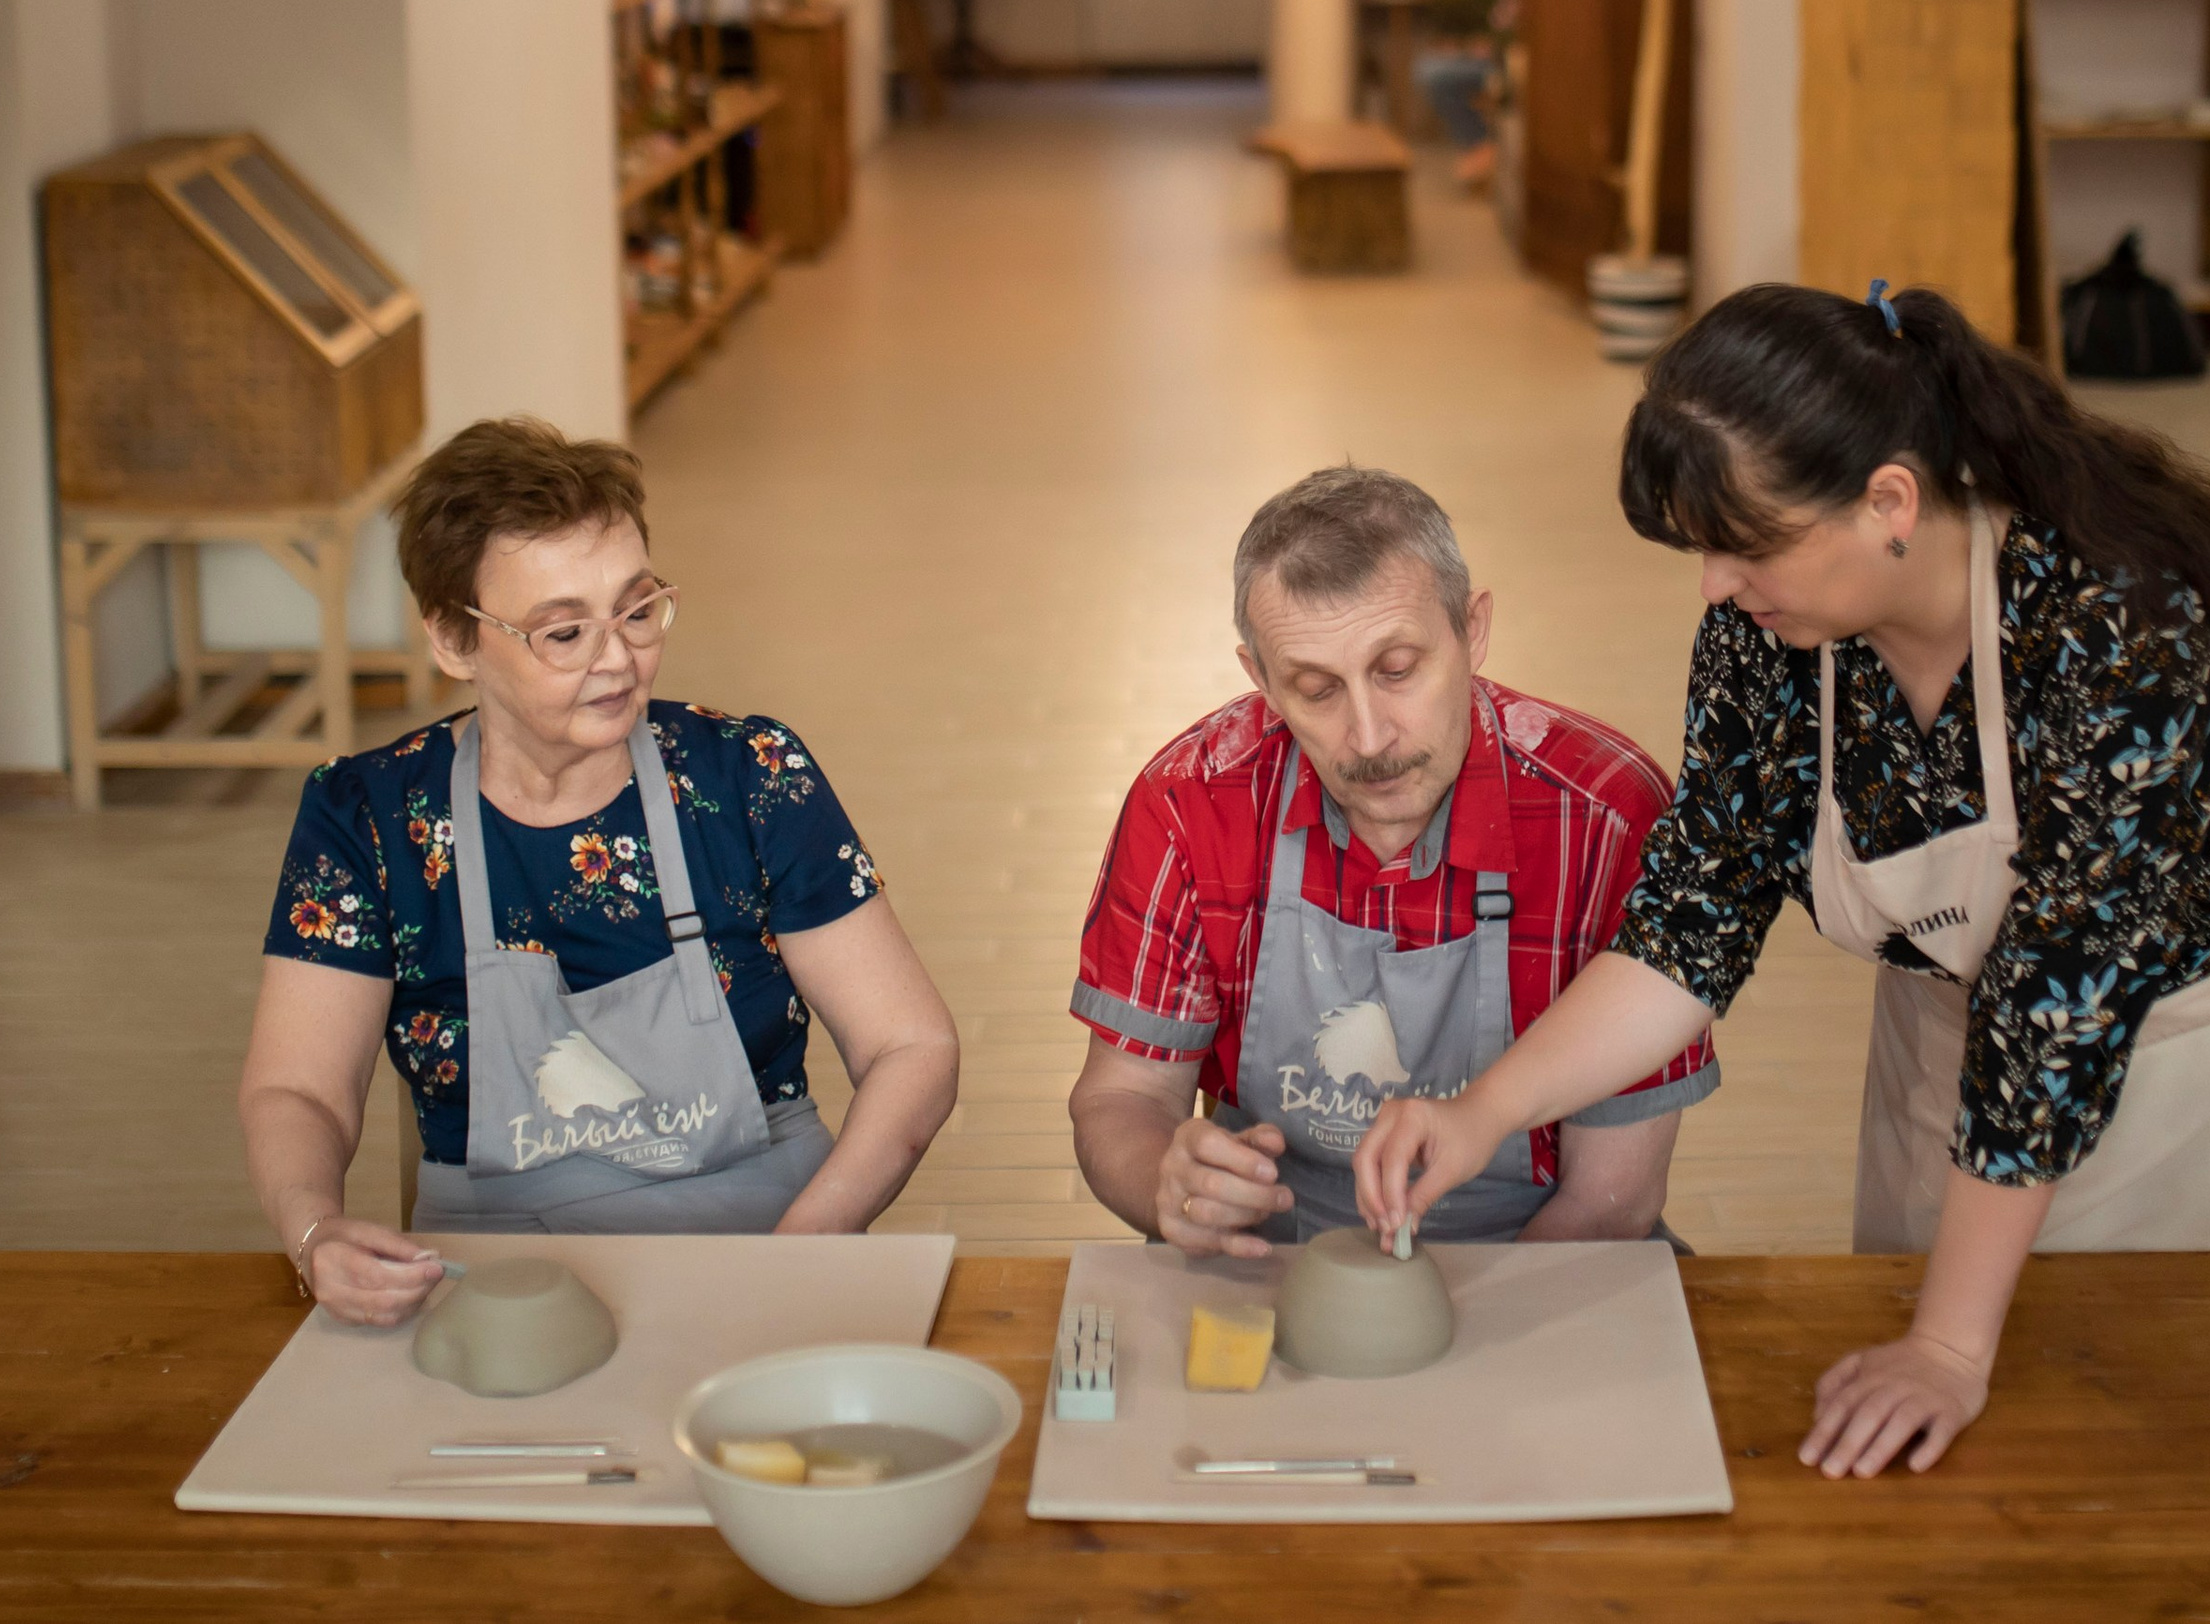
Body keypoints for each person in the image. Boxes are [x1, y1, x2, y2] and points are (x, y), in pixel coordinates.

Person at [1355, 282, 2210, 1477]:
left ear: (1887, 500)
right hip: (1966, 1058)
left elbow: (2059, 1009)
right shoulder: (1773, 627)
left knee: (2203, 1439)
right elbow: (1692, 921)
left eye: (1741, 544)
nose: (1712, 584)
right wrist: (1480, 1111)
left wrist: (1948, 1346)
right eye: (1701, 547)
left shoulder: (2128, 631)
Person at [240, 418, 959, 1326]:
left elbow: (913, 1048)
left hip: (770, 1241)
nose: (619, 658)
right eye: (564, 632)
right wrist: (315, 1229)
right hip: (498, 1287)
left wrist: (811, 1241)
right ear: (455, 640)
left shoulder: (747, 776)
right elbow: (297, 1087)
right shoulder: (370, 819)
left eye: (636, 608)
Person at [1067, 466, 1716, 1255]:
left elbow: (1614, 1199)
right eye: (1315, 689)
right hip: (1270, 1258)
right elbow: (1121, 1099)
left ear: (1471, 631)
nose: (1369, 739)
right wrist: (1164, 1181)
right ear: (1260, 681)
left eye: (1398, 671)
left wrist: (1431, 1333)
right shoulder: (1189, 804)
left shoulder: (1605, 818)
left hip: (1541, 1263)